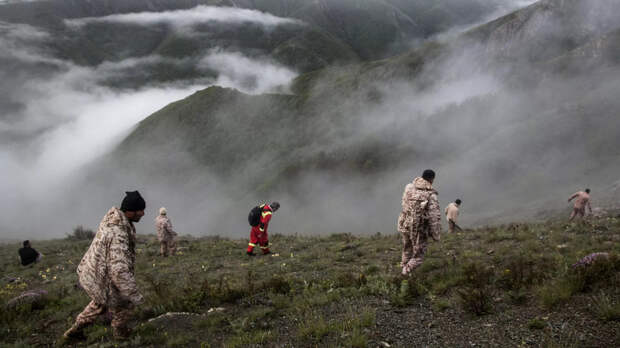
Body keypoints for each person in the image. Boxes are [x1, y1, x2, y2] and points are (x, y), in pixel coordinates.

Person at [64, 191, 146, 341]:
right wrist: (134, 295)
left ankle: (75, 331)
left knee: (99, 304)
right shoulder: (118, 234)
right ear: (129, 211)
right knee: (125, 305)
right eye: (140, 210)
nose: (143, 213)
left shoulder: (114, 220)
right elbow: (118, 270)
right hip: (104, 276)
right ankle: (121, 336)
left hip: (96, 273)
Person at [397, 170, 441, 276]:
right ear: (432, 179)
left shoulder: (409, 187)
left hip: (405, 224)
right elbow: (434, 217)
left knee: (407, 247)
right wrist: (436, 235)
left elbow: (404, 203)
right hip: (419, 229)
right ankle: (405, 273)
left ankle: (404, 266)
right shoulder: (431, 194)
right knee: (419, 255)